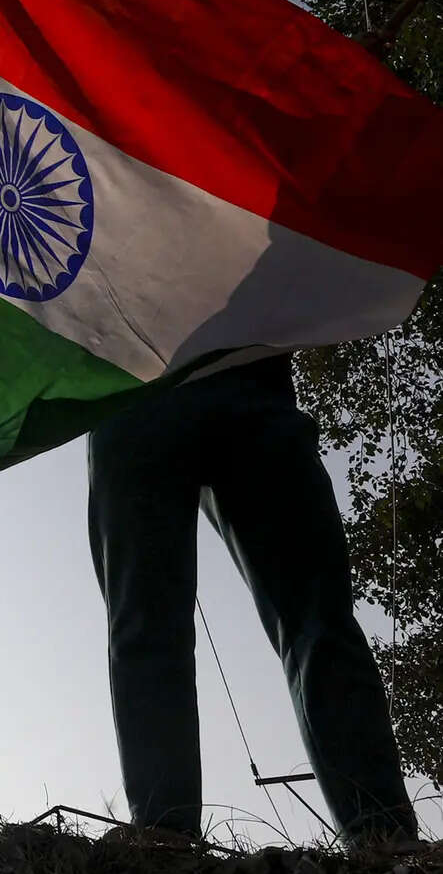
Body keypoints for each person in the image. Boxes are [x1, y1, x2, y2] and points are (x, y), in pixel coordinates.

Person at [86, 354, 419, 845]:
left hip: (248, 372)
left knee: (317, 619)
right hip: (127, 384)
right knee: (146, 622)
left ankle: (384, 837)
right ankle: (163, 834)